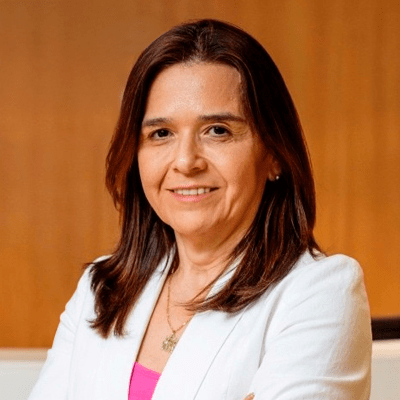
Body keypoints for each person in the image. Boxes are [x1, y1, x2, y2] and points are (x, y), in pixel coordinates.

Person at [29, 19, 372, 400]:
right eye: (161, 134)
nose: (186, 161)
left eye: (218, 130)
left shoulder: (320, 292)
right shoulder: (100, 290)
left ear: (274, 153)